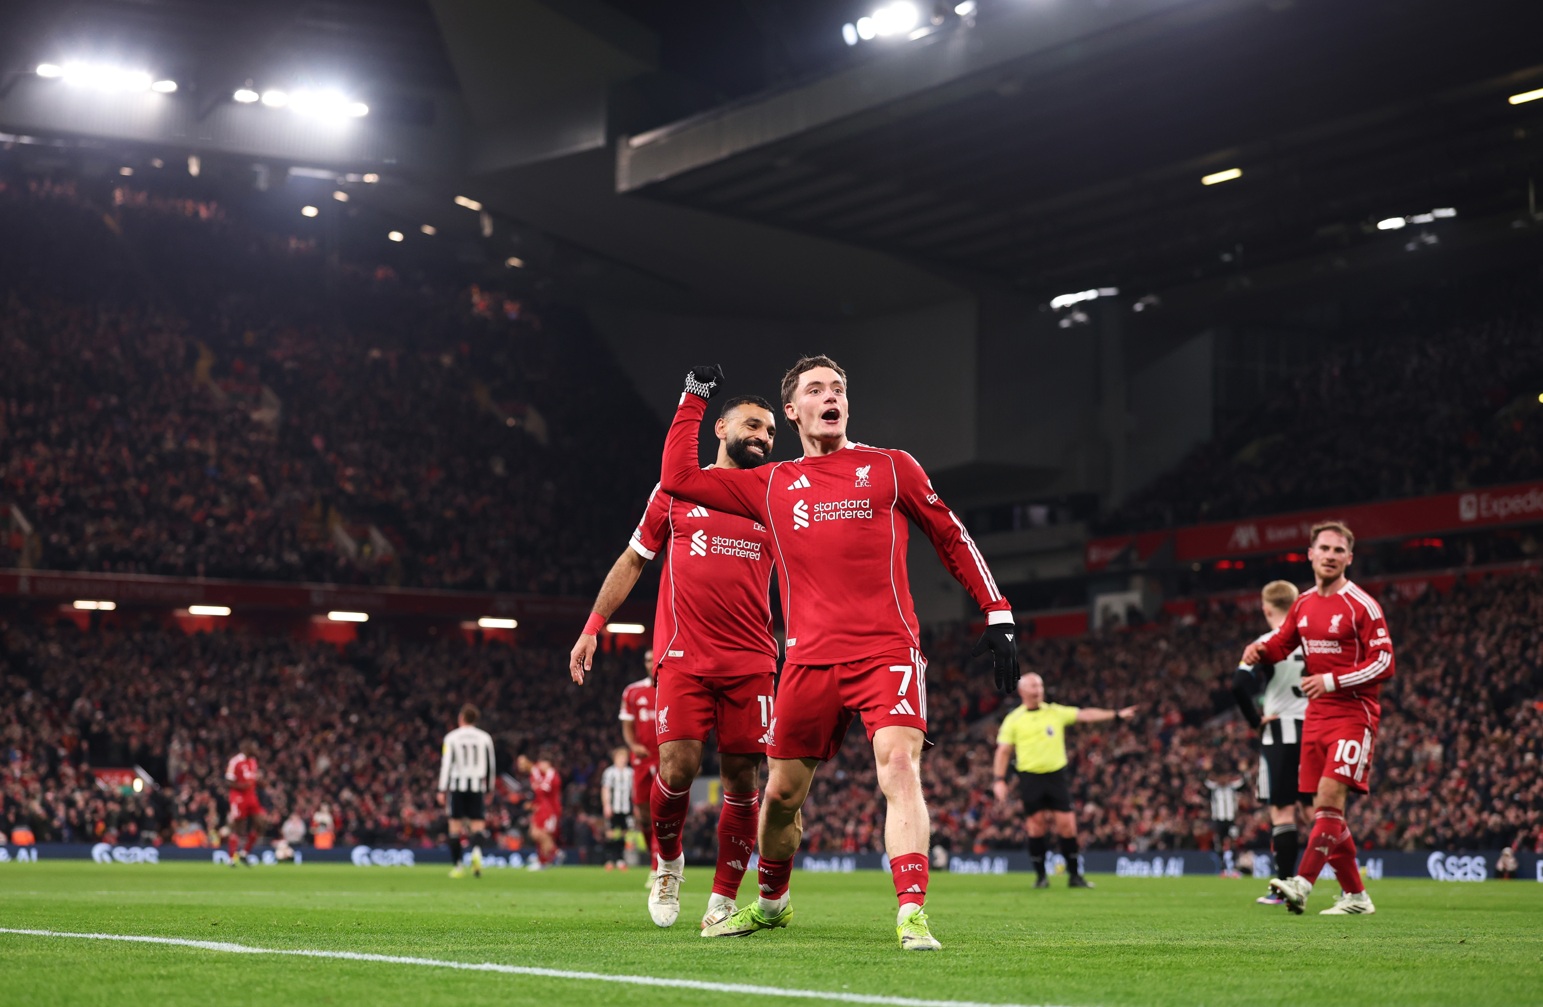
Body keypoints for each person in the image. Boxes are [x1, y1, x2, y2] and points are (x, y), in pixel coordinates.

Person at [659, 358, 1019, 951]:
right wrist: (694, 397)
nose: (832, 397)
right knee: (779, 798)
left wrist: (997, 610)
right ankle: (773, 904)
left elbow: (950, 534)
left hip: (887, 652)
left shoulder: (890, 468)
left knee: (899, 768)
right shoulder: (771, 483)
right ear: (794, 411)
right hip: (806, 661)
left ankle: (911, 913)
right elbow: (677, 477)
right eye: (816, 390)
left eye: (839, 389)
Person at [570, 395, 780, 929]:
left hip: (753, 658)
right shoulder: (677, 490)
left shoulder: (775, 496)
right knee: (677, 767)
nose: (764, 436)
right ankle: (668, 864)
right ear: (721, 428)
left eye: (772, 430)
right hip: (684, 657)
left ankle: (724, 896)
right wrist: (593, 627)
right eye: (753, 424)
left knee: (741, 777)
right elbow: (633, 560)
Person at [1243, 521, 1394, 916]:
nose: (1330, 556)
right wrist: (1258, 650)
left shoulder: (1361, 605)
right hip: (1316, 719)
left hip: (1353, 714)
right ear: (1310, 554)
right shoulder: (1304, 604)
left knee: (1328, 803)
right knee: (1323, 813)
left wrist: (1331, 680)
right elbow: (1282, 643)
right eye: (1323, 549)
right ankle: (1357, 897)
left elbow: (1384, 662)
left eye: (1338, 551)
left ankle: (1302, 883)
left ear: (1349, 558)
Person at [991, 673, 1137, 888]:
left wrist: (1116, 715)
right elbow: (1003, 751)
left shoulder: (1055, 712)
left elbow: (1085, 715)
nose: (1038, 690)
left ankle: (1075, 876)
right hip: (1030, 777)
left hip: (1056, 775)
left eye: (1040, 685)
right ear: (1022, 691)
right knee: (1036, 826)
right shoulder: (1014, 719)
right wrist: (999, 780)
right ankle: (1041, 878)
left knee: (1067, 826)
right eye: (1033, 686)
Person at [1231, 579, 1310, 904]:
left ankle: (1284, 887)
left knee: (1282, 812)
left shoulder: (1264, 642)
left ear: (1266, 609)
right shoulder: (1314, 641)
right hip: (1315, 730)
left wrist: (1254, 721)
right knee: (1319, 811)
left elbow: (1238, 685)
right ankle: (1349, 887)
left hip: (1279, 731)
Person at [616, 655, 662, 881]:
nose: (650, 663)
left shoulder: (676, 687)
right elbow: (627, 725)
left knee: (662, 812)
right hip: (642, 759)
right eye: (646, 659)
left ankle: (657, 866)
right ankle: (655, 857)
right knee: (644, 814)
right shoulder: (632, 692)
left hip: (666, 759)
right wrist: (633, 745)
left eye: (654, 658)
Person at [438, 704, 497, 878]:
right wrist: (490, 788)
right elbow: (491, 765)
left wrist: (442, 789)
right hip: (477, 786)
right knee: (478, 826)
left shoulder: (451, 737)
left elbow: (446, 764)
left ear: (461, 718)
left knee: (454, 828)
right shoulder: (485, 737)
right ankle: (476, 853)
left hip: (458, 786)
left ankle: (457, 867)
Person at [517, 751, 563, 870]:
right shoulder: (537, 774)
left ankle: (547, 858)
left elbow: (543, 790)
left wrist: (534, 772)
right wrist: (533, 804)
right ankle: (550, 855)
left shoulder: (552, 775)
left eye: (544, 762)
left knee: (543, 834)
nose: (541, 765)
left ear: (549, 764)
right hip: (541, 808)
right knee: (534, 833)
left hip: (551, 809)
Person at [223, 738, 264, 867]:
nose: (256, 750)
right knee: (238, 827)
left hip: (251, 796)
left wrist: (261, 782)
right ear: (247, 748)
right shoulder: (235, 762)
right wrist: (242, 786)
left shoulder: (253, 762)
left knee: (261, 823)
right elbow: (228, 781)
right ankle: (231, 858)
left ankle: (244, 853)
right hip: (238, 797)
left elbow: (253, 779)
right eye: (254, 747)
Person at [600, 746, 635, 870]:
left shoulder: (631, 773)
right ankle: (609, 859)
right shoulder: (609, 772)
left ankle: (620, 859)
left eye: (624, 757)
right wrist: (606, 805)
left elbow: (634, 791)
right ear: (615, 758)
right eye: (620, 757)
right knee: (610, 834)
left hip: (626, 808)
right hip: (613, 807)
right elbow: (605, 789)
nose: (622, 759)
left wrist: (635, 806)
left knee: (624, 834)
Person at [1205, 775, 1245, 876]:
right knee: (1219, 844)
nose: (1223, 779)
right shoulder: (1214, 788)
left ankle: (1234, 866)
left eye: (1225, 777)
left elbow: (1243, 780)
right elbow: (1204, 780)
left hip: (1231, 820)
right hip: (1218, 820)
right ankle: (1222, 867)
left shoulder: (1232, 788)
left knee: (1234, 842)